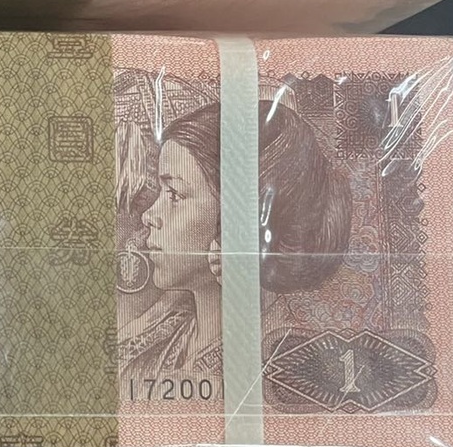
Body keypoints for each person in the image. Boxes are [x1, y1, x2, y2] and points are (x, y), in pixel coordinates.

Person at [118, 99, 350, 383]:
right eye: (160, 191)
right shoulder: (157, 342)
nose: (148, 216)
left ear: (238, 218)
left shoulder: (285, 359)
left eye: (174, 194)